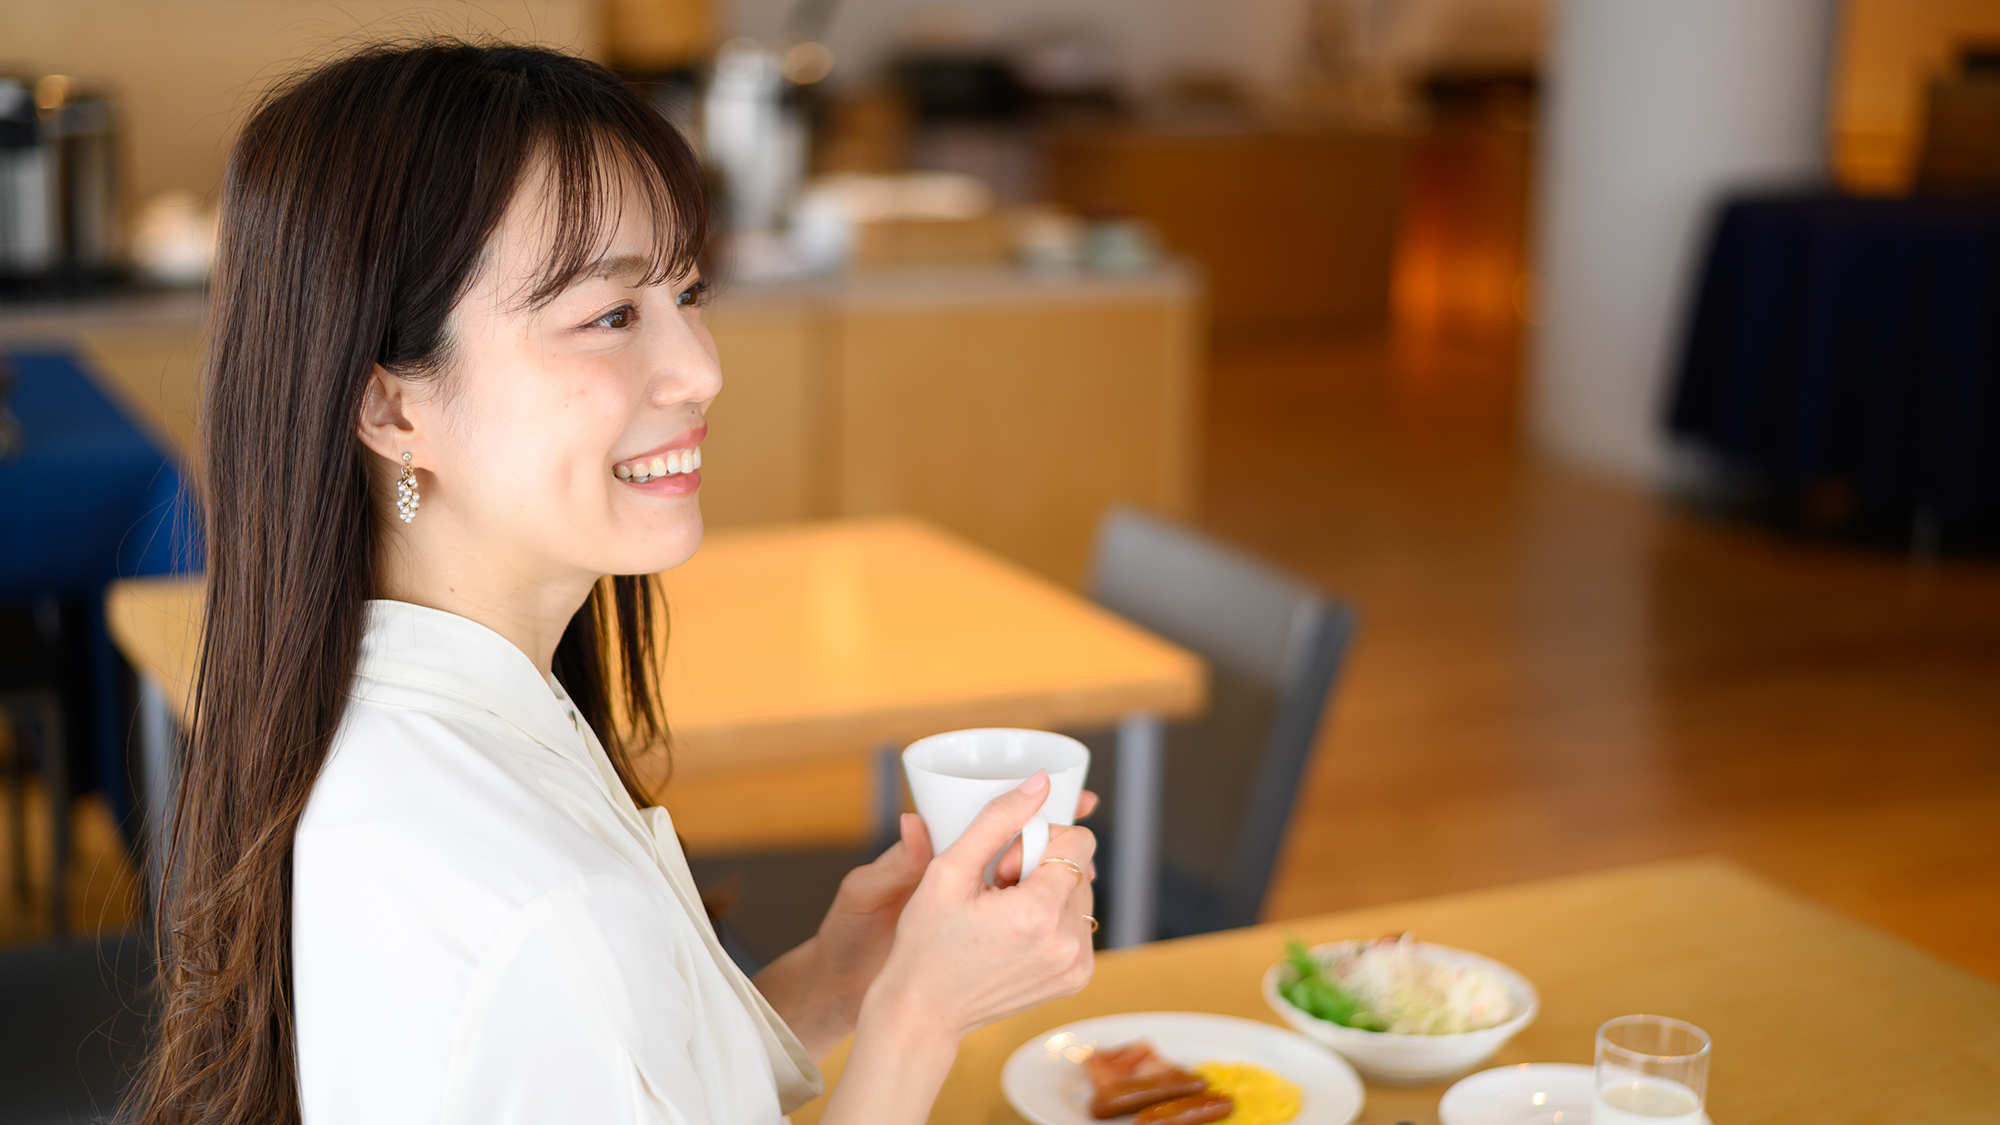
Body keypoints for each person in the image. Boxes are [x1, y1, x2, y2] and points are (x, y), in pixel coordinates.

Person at [132, 40, 1097, 1125]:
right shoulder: (531, 908)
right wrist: (919, 1018)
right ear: (394, 409)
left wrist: (835, 984)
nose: (701, 368)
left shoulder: (430, 707)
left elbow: (630, 1070)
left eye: (686, 291)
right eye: (608, 315)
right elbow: (557, 986)